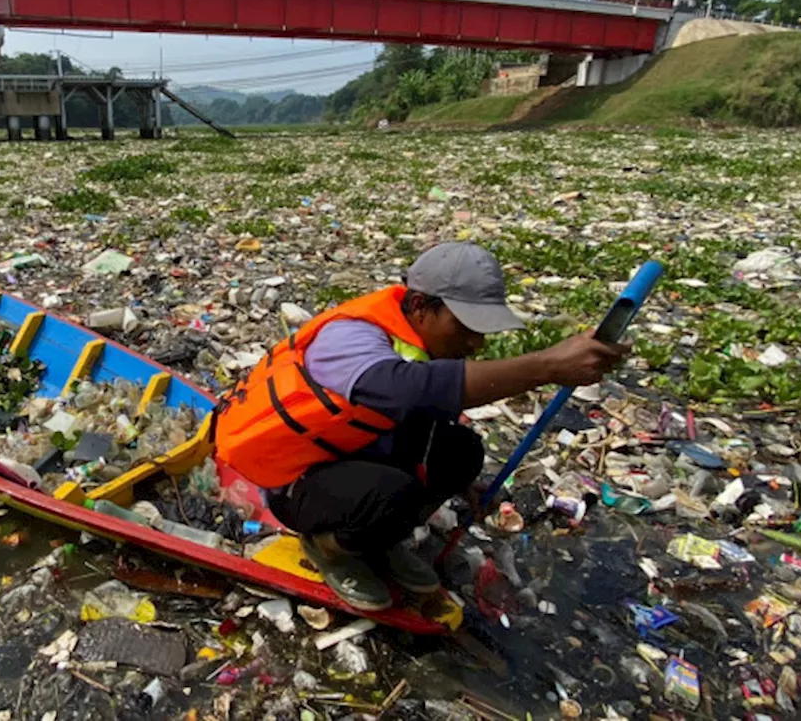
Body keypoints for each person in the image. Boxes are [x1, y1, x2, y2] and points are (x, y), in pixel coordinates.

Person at [213, 243, 630, 611]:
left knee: (462, 450)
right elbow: (406, 391)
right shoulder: (349, 336)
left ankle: (375, 538)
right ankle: (329, 547)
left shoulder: (418, 338)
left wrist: (463, 483)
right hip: (293, 480)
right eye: (464, 326)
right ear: (418, 306)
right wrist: (547, 366)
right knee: (393, 496)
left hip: (346, 452)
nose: (475, 342)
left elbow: (429, 410)